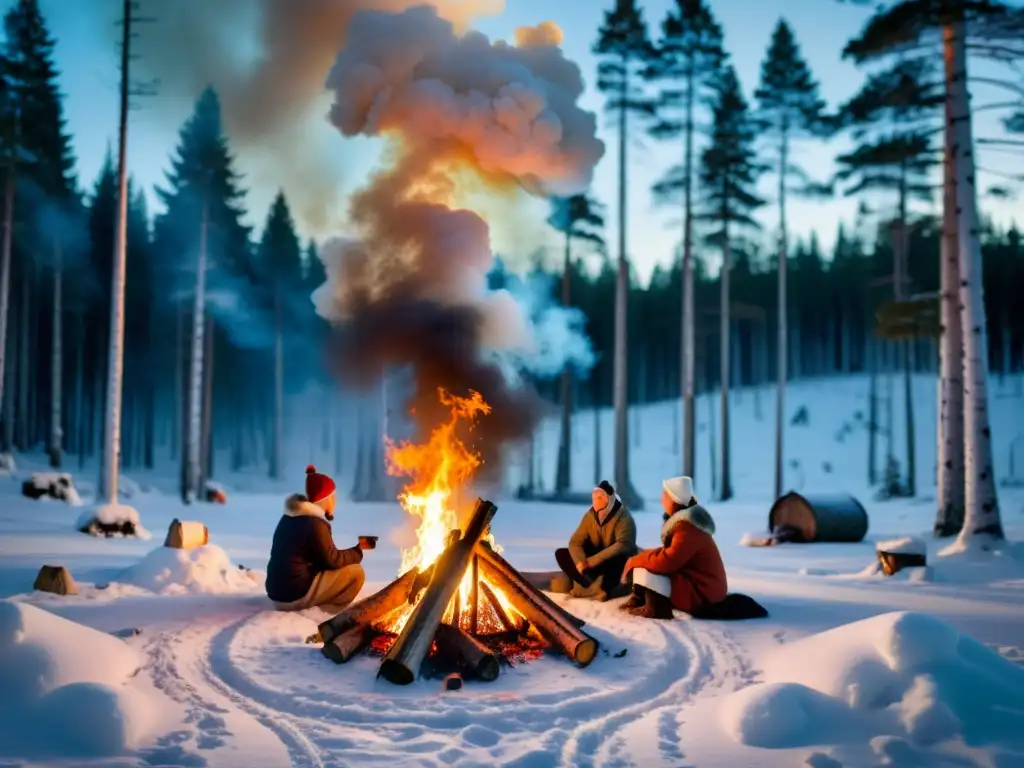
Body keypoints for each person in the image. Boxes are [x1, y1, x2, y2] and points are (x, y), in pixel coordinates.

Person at [265, 465, 371, 615]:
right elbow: (333, 560)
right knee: (356, 572)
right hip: (293, 595)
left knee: (332, 568)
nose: (335, 501)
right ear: (327, 498)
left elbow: (321, 558)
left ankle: (318, 607)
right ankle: (324, 613)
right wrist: (358, 551)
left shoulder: (291, 516)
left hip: (279, 592)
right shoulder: (313, 523)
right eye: (334, 497)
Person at [620, 476, 728, 620]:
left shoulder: (687, 527)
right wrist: (641, 556)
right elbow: (672, 554)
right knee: (644, 560)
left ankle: (655, 608)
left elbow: (667, 561)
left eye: (665, 494)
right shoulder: (685, 523)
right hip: (703, 586)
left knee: (646, 568)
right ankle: (642, 598)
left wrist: (636, 560)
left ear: (673, 498)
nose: (661, 498)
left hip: (703, 592)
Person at [552, 480, 638, 600]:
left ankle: (597, 588)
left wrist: (591, 562)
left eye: (599, 497)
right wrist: (580, 562)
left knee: (618, 561)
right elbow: (575, 542)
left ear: (609, 499)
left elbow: (622, 545)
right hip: (593, 562)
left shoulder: (623, 517)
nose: (595, 501)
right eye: (594, 497)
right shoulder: (590, 516)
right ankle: (590, 584)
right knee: (561, 554)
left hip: (614, 561)